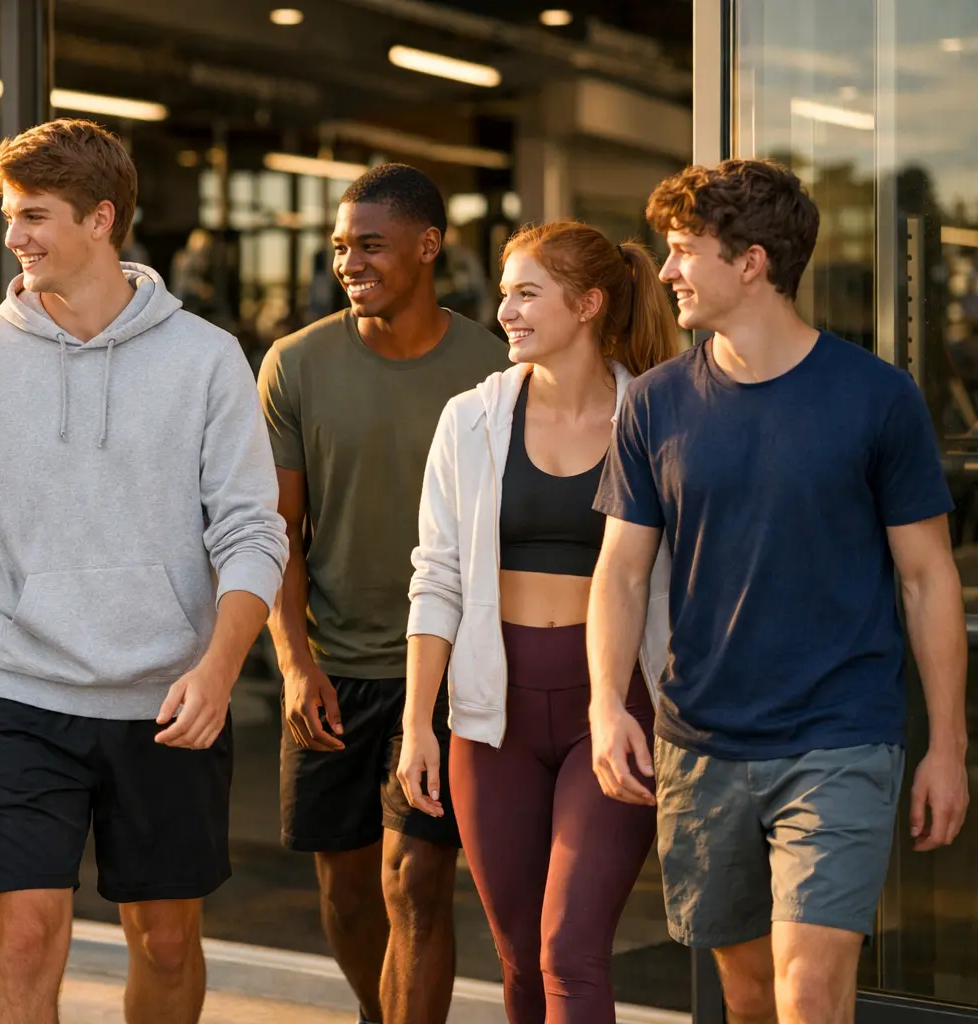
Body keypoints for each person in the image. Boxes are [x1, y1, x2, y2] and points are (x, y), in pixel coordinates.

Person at [0, 118, 288, 1024]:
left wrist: (218, 670)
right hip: (17, 692)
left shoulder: (206, 358)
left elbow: (252, 532)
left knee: (165, 942)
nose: (14, 236)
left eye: (34, 215)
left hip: (167, 703)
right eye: (10, 215)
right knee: (23, 936)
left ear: (101, 219)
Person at [588, 159, 969, 1023]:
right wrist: (607, 704)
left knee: (810, 989)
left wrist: (948, 745)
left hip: (839, 736)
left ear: (752, 262)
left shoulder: (877, 398)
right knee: (751, 995)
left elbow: (928, 578)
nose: (668, 270)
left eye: (685, 250)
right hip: (702, 739)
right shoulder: (654, 404)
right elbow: (621, 570)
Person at [399, 221, 678, 1024]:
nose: (506, 312)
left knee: (570, 949)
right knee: (521, 955)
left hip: (616, 709)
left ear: (588, 304)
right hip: (493, 715)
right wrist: (419, 723)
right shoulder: (470, 419)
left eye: (527, 293)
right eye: (505, 293)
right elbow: (436, 577)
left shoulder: (653, 417)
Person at [258, 162, 509, 1024]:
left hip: (442, 670)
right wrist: (295, 665)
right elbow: (277, 535)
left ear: (428, 246)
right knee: (348, 889)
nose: (348, 263)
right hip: (334, 670)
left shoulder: (494, 369)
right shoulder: (295, 364)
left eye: (370, 244)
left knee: (415, 881)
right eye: (339, 247)